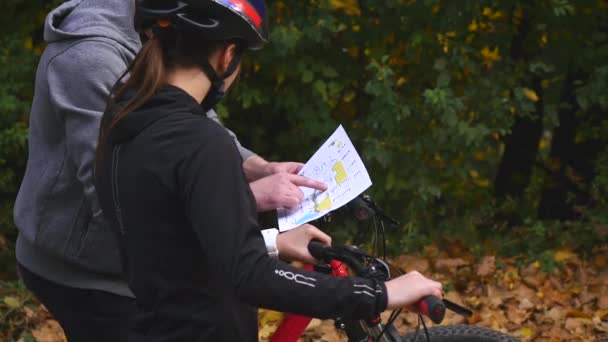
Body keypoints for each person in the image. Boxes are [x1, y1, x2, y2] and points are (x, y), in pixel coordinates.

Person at [95, 0, 444, 340]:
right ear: (227, 55)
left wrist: (272, 242)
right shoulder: (202, 143)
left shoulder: (123, 123)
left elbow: (171, 242)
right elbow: (251, 276)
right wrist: (378, 293)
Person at [13, 0, 329, 341]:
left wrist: (256, 166)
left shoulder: (169, 22)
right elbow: (114, 193)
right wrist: (242, 198)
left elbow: (186, 111)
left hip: (143, 261)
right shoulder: (91, 57)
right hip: (86, 270)